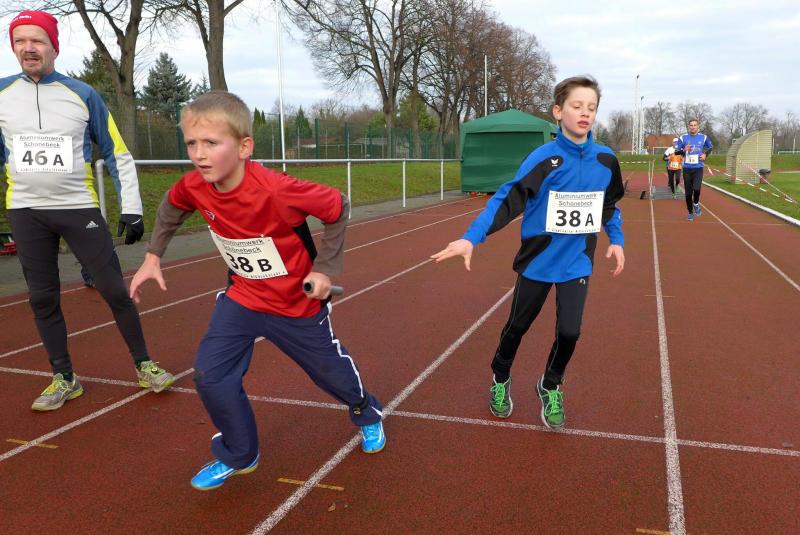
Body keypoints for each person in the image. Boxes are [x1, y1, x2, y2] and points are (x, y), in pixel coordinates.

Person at [129, 91, 386, 491]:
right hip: (242, 299)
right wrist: (153, 255)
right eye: (192, 143)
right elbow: (171, 205)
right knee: (210, 375)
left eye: (211, 143)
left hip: (296, 305)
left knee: (330, 375)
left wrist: (325, 269)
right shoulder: (194, 185)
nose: (199, 154)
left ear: (244, 147)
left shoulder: (276, 189)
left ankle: (365, 410)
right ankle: (240, 453)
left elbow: (338, 206)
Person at [0, 10, 175, 411]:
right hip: (26, 211)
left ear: (54, 47)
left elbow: (117, 152)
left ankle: (144, 365)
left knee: (114, 289)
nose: (28, 48)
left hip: (78, 207)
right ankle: (64, 378)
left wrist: (132, 208)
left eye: (37, 40)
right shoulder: (2, 94)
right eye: (20, 41)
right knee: (42, 298)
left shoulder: (83, 94)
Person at [431, 75, 625, 429]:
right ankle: (500, 377)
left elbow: (608, 204)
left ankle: (550, 385)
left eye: (592, 107)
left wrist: (617, 239)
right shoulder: (543, 159)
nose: (585, 113)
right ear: (558, 111)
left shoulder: (606, 160)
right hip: (538, 261)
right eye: (577, 106)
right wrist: (471, 238)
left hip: (577, 262)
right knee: (517, 327)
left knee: (570, 332)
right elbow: (506, 201)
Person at [675, 119, 712, 220]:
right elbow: (676, 152)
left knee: (696, 189)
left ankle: (695, 203)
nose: (693, 127)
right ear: (689, 126)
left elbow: (710, 147)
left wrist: (705, 154)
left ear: (698, 126)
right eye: (691, 125)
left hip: (698, 168)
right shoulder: (683, 137)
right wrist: (684, 150)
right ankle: (690, 212)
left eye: (695, 125)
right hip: (687, 169)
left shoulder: (703, 137)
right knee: (688, 193)